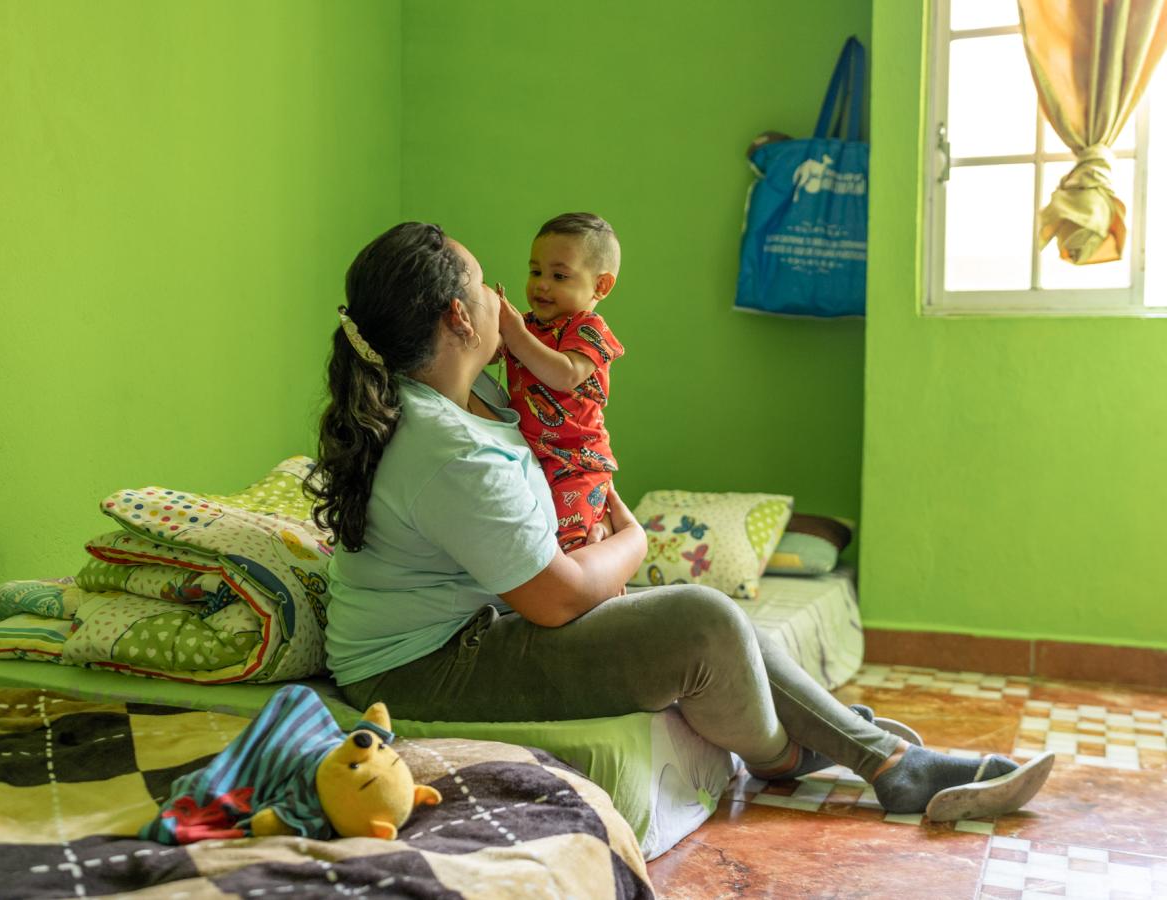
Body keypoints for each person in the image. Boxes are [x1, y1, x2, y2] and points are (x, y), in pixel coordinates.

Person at [310, 221, 1054, 823]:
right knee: (701, 620)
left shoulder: (479, 405)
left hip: (478, 626)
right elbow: (559, 597)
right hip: (426, 672)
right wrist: (633, 540)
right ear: (459, 316)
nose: (512, 294)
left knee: (730, 623)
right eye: (486, 286)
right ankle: (794, 756)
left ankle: (884, 762)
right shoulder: (443, 445)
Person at [498, 212, 624, 551]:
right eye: (535, 271)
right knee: (531, 545)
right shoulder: (526, 326)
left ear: (601, 285)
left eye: (559, 275)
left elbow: (565, 373)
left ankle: (603, 599)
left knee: (575, 547)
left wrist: (514, 334)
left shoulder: (588, 328)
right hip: (530, 456)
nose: (541, 284)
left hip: (576, 465)